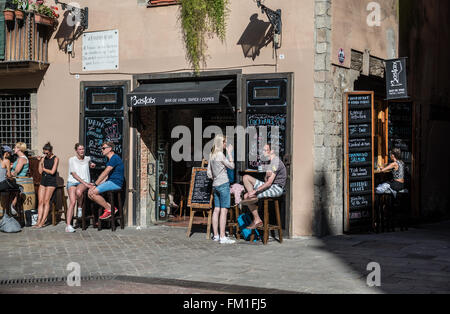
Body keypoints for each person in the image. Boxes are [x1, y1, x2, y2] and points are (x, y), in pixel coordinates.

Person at [241, 143, 287, 229]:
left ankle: (257, 219)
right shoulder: (270, 162)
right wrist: (266, 175)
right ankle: (257, 218)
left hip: (277, 188)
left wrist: (256, 191)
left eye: (265, 150)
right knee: (246, 177)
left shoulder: (276, 162)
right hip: (270, 186)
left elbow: (269, 183)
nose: (262, 152)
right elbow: (267, 180)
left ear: (272, 151)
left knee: (247, 196)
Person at [207, 134, 236, 244]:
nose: (225, 144)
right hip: (223, 184)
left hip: (215, 185)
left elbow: (208, 173)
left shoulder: (212, 155)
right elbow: (232, 166)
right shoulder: (220, 155)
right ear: (220, 143)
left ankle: (216, 235)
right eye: (224, 142)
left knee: (216, 210)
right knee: (224, 210)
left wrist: (215, 176)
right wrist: (229, 153)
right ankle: (223, 237)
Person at [88, 142, 124, 220]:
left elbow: (106, 172)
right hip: (110, 181)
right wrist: (96, 184)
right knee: (89, 193)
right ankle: (110, 208)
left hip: (115, 183)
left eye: (103, 148)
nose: (102, 150)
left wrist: (95, 184)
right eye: (101, 148)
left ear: (110, 148)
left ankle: (109, 209)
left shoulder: (114, 158)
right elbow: (107, 176)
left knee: (93, 193)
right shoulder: (110, 159)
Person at [66, 143, 96, 233]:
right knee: (72, 202)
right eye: (80, 149)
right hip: (72, 181)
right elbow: (74, 174)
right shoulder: (72, 160)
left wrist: (92, 164)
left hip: (83, 182)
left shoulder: (87, 158)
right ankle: (68, 225)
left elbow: (90, 163)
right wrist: (86, 184)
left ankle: (80, 207)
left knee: (79, 192)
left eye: (83, 149)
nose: (82, 151)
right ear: (76, 150)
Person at [34, 142, 59, 229]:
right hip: (43, 180)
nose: (45, 154)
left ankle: (43, 222)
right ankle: (38, 222)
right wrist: (40, 162)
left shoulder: (56, 159)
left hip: (51, 181)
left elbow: (52, 172)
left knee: (46, 201)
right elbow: (40, 172)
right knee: (40, 202)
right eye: (44, 153)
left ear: (51, 151)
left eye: (46, 153)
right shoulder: (43, 158)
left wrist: (44, 169)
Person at [10, 142, 30, 214]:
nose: (13, 149)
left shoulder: (22, 159)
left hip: (18, 181)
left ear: (19, 149)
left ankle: (11, 206)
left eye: (15, 147)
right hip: (14, 179)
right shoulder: (19, 158)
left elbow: (16, 172)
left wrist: (8, 174)